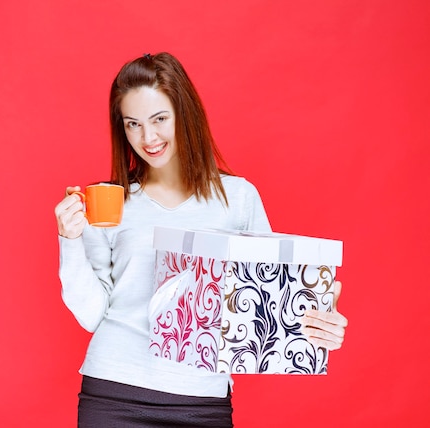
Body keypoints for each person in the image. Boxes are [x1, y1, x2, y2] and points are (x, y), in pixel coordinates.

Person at [54, 52, 348, 427]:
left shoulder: (238, 197)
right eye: (133, 124)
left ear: (184, 113)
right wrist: (70, 240)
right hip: (114, 393)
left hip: (204, 402)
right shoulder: (110, 202)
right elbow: (92, 313)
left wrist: (320, 314)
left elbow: (269, 301)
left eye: (160, 119)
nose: (148, 138)